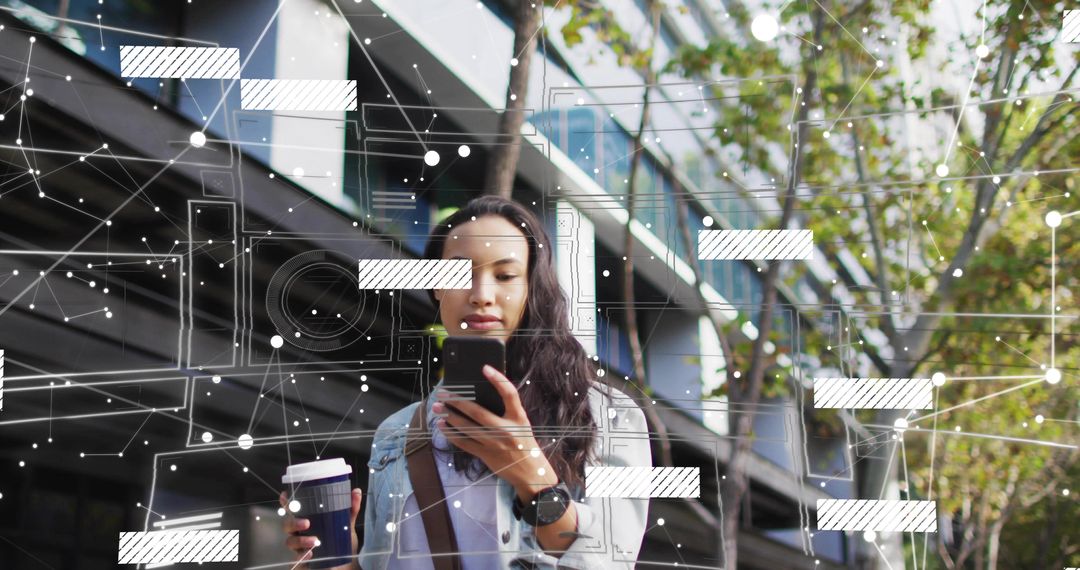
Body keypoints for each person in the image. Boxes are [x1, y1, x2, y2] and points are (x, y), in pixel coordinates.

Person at [282, 196, 651, 569]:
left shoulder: (610, 415)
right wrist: (341, 559)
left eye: (505, 276)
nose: (481, 296)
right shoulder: (396, 433)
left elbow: (611, 561)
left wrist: (529, 473)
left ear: (531, 288)